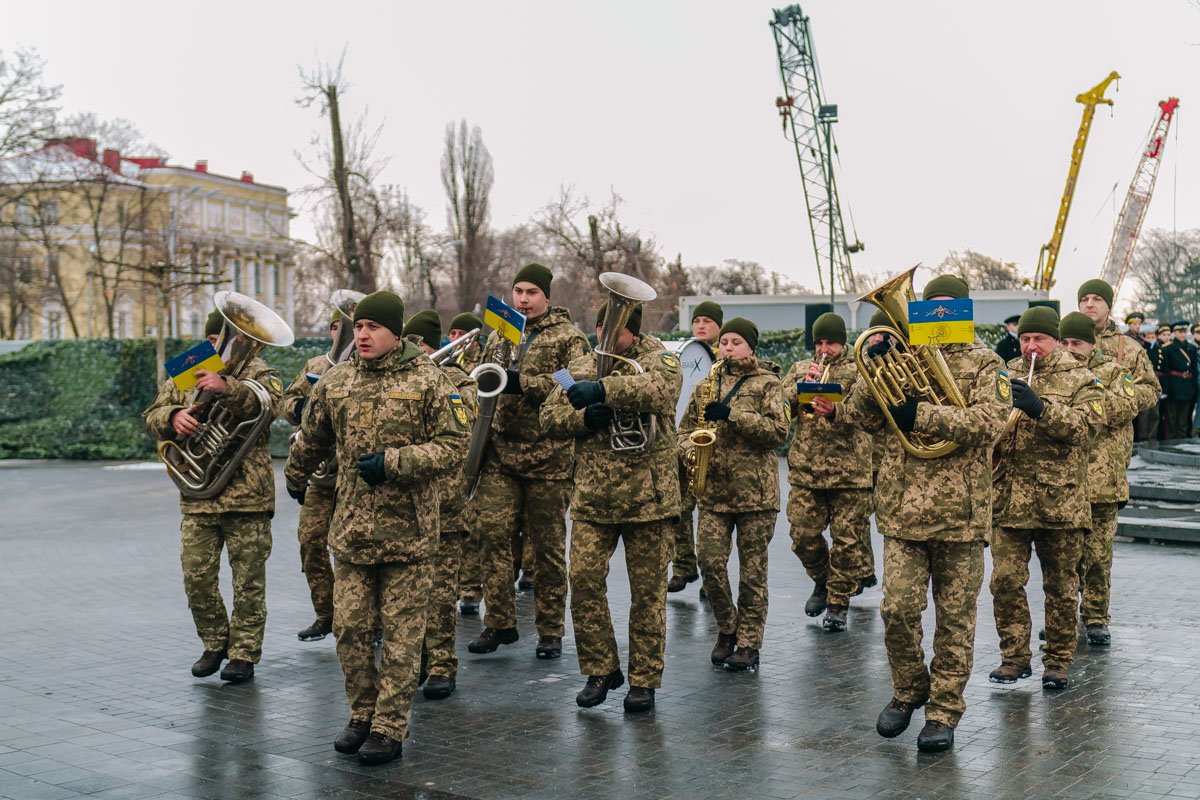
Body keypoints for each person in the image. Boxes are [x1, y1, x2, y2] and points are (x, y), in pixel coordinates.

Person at [285, 291, 469, 765]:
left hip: (408, 533)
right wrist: (295, 472)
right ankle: (361, 714)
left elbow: (453, 446)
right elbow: (314, 433)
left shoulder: (430, 379)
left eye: (372, 327)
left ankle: (389, 726)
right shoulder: (337, 380)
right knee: (350, 628)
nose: (362, 335)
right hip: (351, 532)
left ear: (394, 333)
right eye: (358, 326)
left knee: (404, 636)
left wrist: (395, 463)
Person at [837, 273, 1008, 753]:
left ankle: (943, 711)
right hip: (901, 513)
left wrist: (925, 415)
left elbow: (989, 423)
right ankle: (910, 688)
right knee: (896, 610)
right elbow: (857, 419)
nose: (937, 313)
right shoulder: (899, 354)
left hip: (962, 516)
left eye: (947, 306)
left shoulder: (985, 362)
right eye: (929, 305)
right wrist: (873, 378)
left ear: (962, 309)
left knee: (955, 622)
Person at [541, 299, 682, 712]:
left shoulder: (661, 358)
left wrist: (605, 390)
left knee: (648, 595)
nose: (603, 336)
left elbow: (662, 390)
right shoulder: (579, 366)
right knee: (582, 582)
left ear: (632, 334)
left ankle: (644, 680)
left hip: (648, 500)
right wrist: (583, 420)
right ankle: (601, 668)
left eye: (613, 329)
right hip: (593, 498)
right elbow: (549, 418)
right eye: (600, 326)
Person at [143, 309, 283, 684]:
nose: (215, 345)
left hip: (247, 497)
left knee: (248, 582)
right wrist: (171, 417)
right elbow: (151, 414)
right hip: (198, 492)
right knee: (197, 578)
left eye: (220, 339)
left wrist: (229, 388)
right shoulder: (189, 365)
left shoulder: (258, 370)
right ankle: (215, 642)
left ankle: (243, 654)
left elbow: (272, 407)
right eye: (211, 339)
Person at [468, 264, 590, 660]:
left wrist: (524, 383)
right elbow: (483, 379)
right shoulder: (503, 332)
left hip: (548, 460)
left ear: (547, 297)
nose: (523, 299)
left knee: (548, 549)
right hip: (500, 454)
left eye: (532, 292)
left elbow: (573, 387)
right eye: (518, 290)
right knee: (493, 538)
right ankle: (500, 622)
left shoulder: (567, 338)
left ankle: (551, 630)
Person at [989, 307, 1102, 693]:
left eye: (1039, 339)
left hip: (1061, 502)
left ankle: (1057, 661)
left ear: (1054, 339)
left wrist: (1041, 408)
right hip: (1007, 498)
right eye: (1025, 339)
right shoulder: (1004, 373)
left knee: (1061, 587)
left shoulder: (1082, 378)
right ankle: (1014, 657)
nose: (1031, 346)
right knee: (1004, 580)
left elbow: (1086, 428)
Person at [678, 317, 787, 670]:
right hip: (713, 491)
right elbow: (684, 430)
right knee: (709, 563)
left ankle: (750, 643)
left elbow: (778, 432)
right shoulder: (705, 383)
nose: (727, 348)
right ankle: (727, 627)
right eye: (724, 342)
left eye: (736, 342)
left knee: (752, 573)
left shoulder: (769, 383)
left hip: (755, 494)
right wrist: (689, 450)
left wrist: (733, 415)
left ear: (751, 346)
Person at [781, 311, 874, 633]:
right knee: (802, 537)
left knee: (847, 542)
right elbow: (780, 410)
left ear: (842, 342)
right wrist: (798, 388)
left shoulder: (861, 369)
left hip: (851, 472)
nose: (824, 348)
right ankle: (823, 580)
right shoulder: (800, 369)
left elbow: (869, 414)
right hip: (807, 471)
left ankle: (838, 605)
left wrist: (838, 411)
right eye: (819, 342)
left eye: (830, 342)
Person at [403, 309, 478, 700]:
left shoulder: (460, 381)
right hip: (405, 507)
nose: (413, 351)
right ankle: (413, 661)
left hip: (446, 506)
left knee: (440, 592)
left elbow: (462, 428)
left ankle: (442, 665)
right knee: (408, 595)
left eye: (420, 345)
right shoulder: (397, 379)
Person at [1059, 312, 1138, 647]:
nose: (1070, 349)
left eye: (1076, 342)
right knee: (1063, 559)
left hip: (1102, 481)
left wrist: (1079, 401)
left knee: (1097, 556)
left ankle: (1095, 616)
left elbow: (1125, 405)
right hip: (1062, 483)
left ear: (1091, 344)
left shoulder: (1114, 372)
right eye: (1064, 342)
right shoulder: (1053, 372)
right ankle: (1061, 617)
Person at [278, 306, 353, 642]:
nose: (343, 332)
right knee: (310, 544)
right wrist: (303, 407)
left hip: (356, 480)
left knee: (354, 552)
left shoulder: (366, 368)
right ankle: (326, 613)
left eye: (348, 326)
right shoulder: (315, 366)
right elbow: (288, 402)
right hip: (322, 480)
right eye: (337, 326)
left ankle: (364, 621)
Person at [668, 300, 723, 594]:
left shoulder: (728, 353)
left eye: (707, 321)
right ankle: (683, 566)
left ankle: (710, 574)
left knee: (709, 518)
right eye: (696, 321)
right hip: (683, 438)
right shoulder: (683, 352)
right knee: (679, 509)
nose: (701, 326)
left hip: (712, 444)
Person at [1077, 279, 1161, 438]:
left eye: (1097, 299)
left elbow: (1152, 389)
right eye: (1084, 299)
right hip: (1070, 446)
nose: (1089, 304)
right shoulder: (1062, 343)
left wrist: (1124, 396)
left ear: (1109, 306)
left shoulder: (1130, 347)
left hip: (1110, 446)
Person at [446, 310, 486, 616]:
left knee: (471, 525)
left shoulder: (480, 364)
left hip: (477, 449)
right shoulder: (444, 362)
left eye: (461, 334)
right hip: (449, 453)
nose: (454, 340)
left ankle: (471, 588)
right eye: (452, 334)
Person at [1163, 321, 1198, 438]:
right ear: (1174, 333)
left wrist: (1194, 387)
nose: (1182, 334)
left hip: (1187, 386)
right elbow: (1166, 371)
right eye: (1180, 332)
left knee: (1184, 416)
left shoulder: (1192, 348)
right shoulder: (1168, 349)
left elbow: (1194, 371)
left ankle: (1182, 440)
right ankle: (1171, 441)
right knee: (1172, 416)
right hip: (1174, 385)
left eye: (1184, 332)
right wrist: (1166, 390)